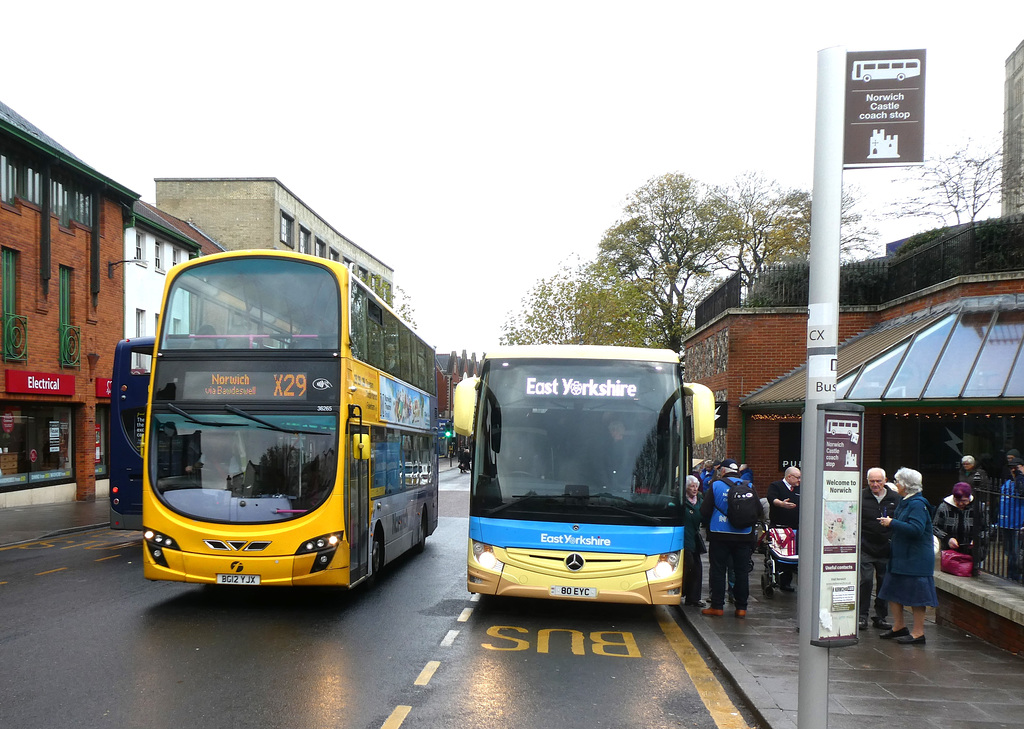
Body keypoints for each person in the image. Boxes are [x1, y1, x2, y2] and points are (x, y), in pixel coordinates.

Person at [877, 467, 938, 645]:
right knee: (892, 590)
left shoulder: (918, 504)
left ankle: (918, 633)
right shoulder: (906, 501)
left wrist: (892, 523)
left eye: (898, 482)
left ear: (906, 485)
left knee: (917, 597)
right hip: (901, 557)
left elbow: (917, 529)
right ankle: (899, 626)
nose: (896, 485)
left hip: (916, 559)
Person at [700, 458, 756, 618]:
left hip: (720, 535)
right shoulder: (749, 486)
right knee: (741, 572)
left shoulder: (716, 485)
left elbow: (704, 511)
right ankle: (741, 608)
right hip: (743, 536)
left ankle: (717, 606)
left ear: (723, 470)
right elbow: (757, 510)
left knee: (718, 570)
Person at [859, 467, 899, 630]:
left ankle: (880, 617)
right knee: (866, 581)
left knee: (884, 582)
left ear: (885, 480)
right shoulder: (861, 496)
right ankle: (862, 616)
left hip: (885, 547)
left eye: (878, 481)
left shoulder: (895, 498)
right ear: (867, 481)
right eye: (872, 481)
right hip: (865, 546)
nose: (875, 484)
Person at [933, 481, 988, 576]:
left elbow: (987, 528)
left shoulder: (979, 507)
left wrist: (978, 539)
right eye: (957, 500)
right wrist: (947, 538)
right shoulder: (944, 507)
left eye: (964, 501)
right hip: (951, 554)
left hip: (973, 552)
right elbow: (935, 527)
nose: (961, 504)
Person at [766, 466, 800, 591]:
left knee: (794, 554)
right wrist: (782, 504)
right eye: (797, 477)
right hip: (779, 527)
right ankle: (778, 577)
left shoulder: (800, 488)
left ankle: (787, 582)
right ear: (789, 477)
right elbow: (772, 498)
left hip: (796, 527)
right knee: (781, 554)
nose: (799, 480)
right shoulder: (776, 486)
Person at [999, 455, 1024, 581]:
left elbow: (1021, 492)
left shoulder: (1021, 481)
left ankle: (1015, 576)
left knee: (1016, 551)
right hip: (1006, 522)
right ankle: (1011, 575)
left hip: (1018, 523)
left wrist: (1020, 477)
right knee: (1009, 552)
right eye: (1011, 468)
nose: (1013, 470)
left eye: (1016, 467)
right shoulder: (1008, 483)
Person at [682, 474, 705, 607]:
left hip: (695, 539)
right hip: (684, 538)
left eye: (696, 486)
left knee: (697, 567)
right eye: (692, 486)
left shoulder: (700, 500)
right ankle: (682, 592)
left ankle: (693, 598)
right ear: (686, 488)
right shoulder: (680, 501)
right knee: (688, 565)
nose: (695, 489)